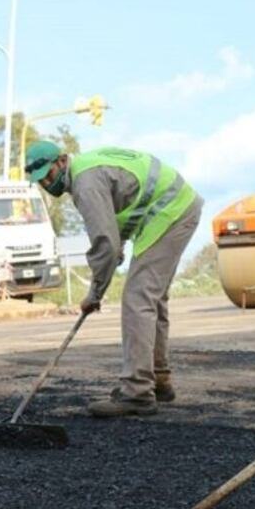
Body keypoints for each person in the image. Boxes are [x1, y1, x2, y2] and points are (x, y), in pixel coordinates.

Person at [24, 141, 202, 418]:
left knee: (138, 299)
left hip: (171, 212)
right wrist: (116, 246)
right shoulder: (88, 170)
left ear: (61, 160)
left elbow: (104, 244)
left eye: (49, 174)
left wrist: (95, 293)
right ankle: (158, 380)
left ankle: (137, 393)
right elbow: (122, 215)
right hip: (178, 206)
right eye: (41, 180)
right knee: (151, 299)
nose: (47, 183)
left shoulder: (85, 183)